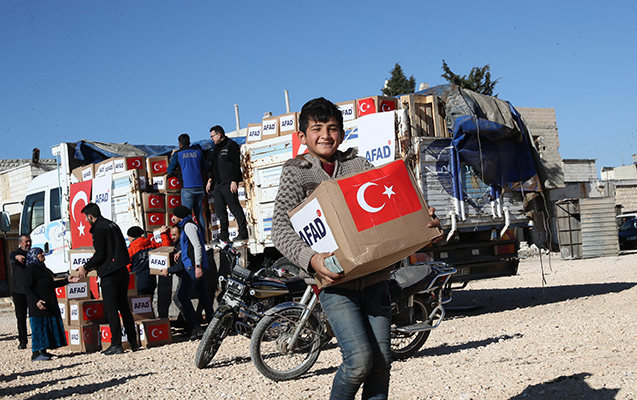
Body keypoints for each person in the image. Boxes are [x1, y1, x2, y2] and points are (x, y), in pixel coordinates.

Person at [271, 97, 439, 400]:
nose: (325, 135)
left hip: (376, 279)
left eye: (333, 128)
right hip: (335, 285)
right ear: (302, 137)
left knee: (382, 363)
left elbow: (393, 204)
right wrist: (312, 260)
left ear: (343, 133)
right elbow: (280, 230)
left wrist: (421, 219)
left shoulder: (358, 166)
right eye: (317, 129)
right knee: (359, 360)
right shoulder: (296, 172)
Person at [76, 203, 139, 355]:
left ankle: (116, 344)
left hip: (109, 274)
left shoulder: (99, 229)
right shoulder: (112, 224)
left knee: (111, 309)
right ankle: (133, 342)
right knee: (124, 307)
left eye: (86, 218)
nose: (86, 221)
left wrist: (86, 267)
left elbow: (101, 254)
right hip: (122, 270)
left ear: (90, 216)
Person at [160, 206, 213, 340]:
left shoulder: (188, 226)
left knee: (181, 296)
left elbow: (197, 246)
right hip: (195, 265)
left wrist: (197, 266)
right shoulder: (187, 226)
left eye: (174, 215)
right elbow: (189, 245)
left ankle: (195, 327)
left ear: (180, 216)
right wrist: (180, 252)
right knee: (203, 296)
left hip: (193, 267)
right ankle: (212, 325)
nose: (173, 218)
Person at [22, 247, 80, 361]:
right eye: (40, 253)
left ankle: (44, 351)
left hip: (48, 303)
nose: (43, 254)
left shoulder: (43, 268)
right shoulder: (31, 269)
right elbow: (27, 287)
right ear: (34, 256)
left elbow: (51, 284)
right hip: (38, 305)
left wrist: (67, 280)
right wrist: (36, 301)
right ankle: (35, 353)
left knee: (47, 328)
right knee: (38, 328)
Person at [206, 125, 248, 242]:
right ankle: (224, 235)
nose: (212, 139)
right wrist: (210, 180)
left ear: (219, 135)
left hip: (229, 182)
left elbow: (235, 164)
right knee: (219, 210)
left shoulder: (231, 145)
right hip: (218, 184)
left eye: (212, 136)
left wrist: (234, 180)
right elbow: (213, 166)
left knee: (234, 208)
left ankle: (243, 232)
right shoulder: (216, 148)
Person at [167, 133, 209, 233]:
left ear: (180, 144)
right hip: (199, 186)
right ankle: (203, 238)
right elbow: (206, 167)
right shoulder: (197, 152)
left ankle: (190, 239)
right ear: (189, 142)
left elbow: (170, 170)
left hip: (187, 188)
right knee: (199, 214)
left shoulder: (178, 154)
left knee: (186, 216)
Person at [126, 225, 171, 296]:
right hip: (151, 282)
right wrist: (163, 234)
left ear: (132, 237)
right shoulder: (151, 244)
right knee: (149, 303)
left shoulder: (130, 250)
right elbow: (166, 248)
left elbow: (127, 269)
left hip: (137, 283)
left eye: (128, 236)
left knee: (141, 305)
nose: (128, 238)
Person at [10, 234, 31, 350]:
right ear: (20, 243)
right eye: (26, 242)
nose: (28, 244)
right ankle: (23, 340)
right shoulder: (15, 253)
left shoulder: (33, 254)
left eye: (29, 241)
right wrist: (18, 257)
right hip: (18, 291)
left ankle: (39, 340)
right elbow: (13, 257)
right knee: (21, 317)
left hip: (31, 289)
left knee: (34, 316)